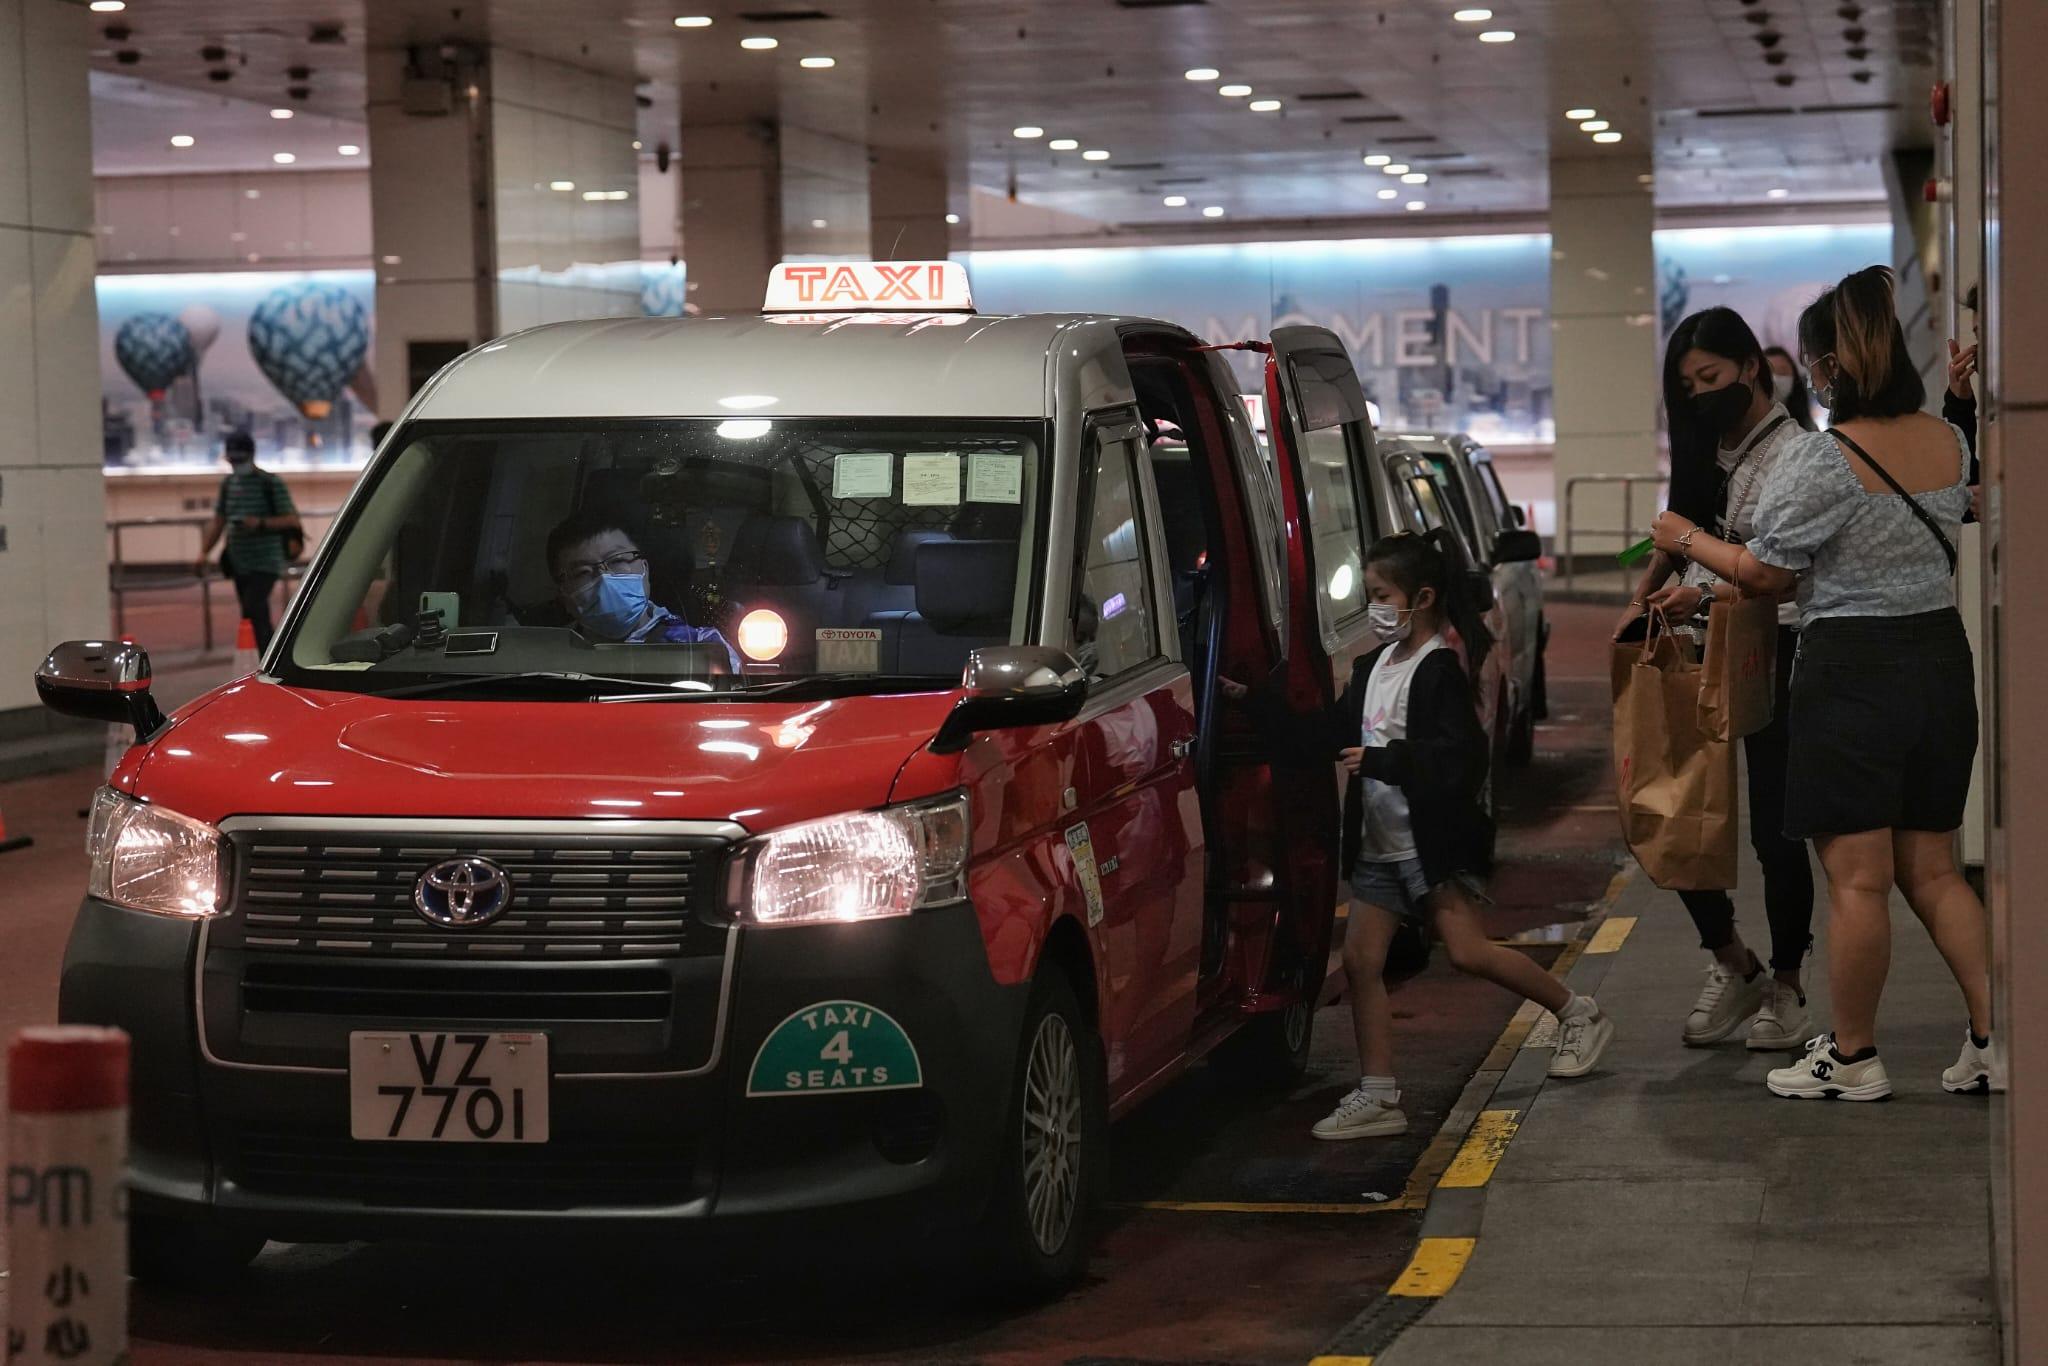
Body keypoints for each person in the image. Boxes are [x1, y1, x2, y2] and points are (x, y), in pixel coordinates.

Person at [1650, 265, 2001, 1100]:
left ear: (1827, 367)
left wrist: (1686, 539)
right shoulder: (1948, 441)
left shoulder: (1823, 458)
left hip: (1851, 676)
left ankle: (1852, 1057)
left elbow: (1768, 576)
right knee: (1938, 871)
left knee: (1858, 879)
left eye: (1811, 362)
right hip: (1940, 664)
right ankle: (1996, 1040)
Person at [1229, 531, 1614, 1141]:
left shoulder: (1439, 670)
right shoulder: (1371, 666)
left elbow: (1458, 760)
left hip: (1429, 847)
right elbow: (1323, 734)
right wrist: (1253, 703)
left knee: (1467, 952)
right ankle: (1380, 1095)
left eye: (1382, 595)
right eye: (1370, 594)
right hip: (1381, 846)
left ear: (1423, 597)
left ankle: (1578, 1012)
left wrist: (1385, 762)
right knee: (1360, 962)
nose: (1375, 607)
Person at [1617, 308, 1815, 1052]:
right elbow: (1678, 538)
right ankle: (1734, 961)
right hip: (1693, 643)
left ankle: (1790, 981)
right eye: (1688, 384)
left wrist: (1699, 577)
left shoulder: (1797, 454)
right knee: (1676, 810)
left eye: (1712, 377)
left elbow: (1785, 576)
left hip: (1776, 648)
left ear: (1752, 368)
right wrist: (1640, 601)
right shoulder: (1703, 447)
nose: (1701, 394)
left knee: (1774, 828)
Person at [546, 510, 740, 671]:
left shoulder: (702, 646)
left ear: (645, 569)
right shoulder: (545, 655)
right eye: (582, 572)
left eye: (618, 560)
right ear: (563, 595)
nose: (605, 578)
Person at [195, 430, 299, 650]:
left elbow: (290, 519)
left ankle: (268, 658)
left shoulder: (270, 483)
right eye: (232, 460)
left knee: (254, 607)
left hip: (266, 559)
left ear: (251, 455)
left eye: (239, 459)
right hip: (239, 559)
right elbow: (219, 520)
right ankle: (266, 656)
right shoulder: (229, 484)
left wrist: (259, 523)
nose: (235, 464)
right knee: (250, 614)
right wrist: (204, 552)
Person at [1764, 345, 1819, 431]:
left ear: (1794, 377)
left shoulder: (1808, 426)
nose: (1776, 378)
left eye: (1783, 371)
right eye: (1770, 372)